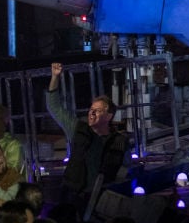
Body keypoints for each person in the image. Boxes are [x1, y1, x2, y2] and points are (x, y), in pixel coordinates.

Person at [46, 63, 129, 206]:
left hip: (102, 198)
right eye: (91, 109)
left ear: (109, 116)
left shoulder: (119, 141)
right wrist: (55, 77)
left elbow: (126, 170)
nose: (92, 112)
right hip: (73, 196)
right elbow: (54, 108)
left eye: (98, 110)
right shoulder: (78, 129)